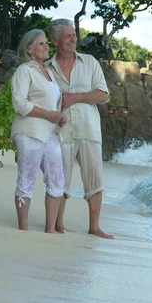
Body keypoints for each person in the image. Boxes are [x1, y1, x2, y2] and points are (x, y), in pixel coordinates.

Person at [47, 19, 114, 239]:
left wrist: (76, 97)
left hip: (89, 129)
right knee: (60, 178)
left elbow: (103, 95)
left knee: (94, 178)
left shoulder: (90, 62)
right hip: (60, 130)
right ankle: (58, 224)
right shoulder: (46, 68)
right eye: (67, 36)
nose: (73, 39)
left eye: (74, 34)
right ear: (55, 41)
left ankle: (94, 227)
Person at [10, 29, 68, 233]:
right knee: (27, 179)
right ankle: (23, 228)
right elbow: (20, 104)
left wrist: (58, 116)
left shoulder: (49, 72)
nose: (46, 47)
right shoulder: (24, 71)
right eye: (41, 43)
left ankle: (50, 229)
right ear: (29, 49)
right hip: (29, 131)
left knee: (57, 180)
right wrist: (48, 114)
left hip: (50, 133)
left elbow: (52, 102)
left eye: (46, 43)